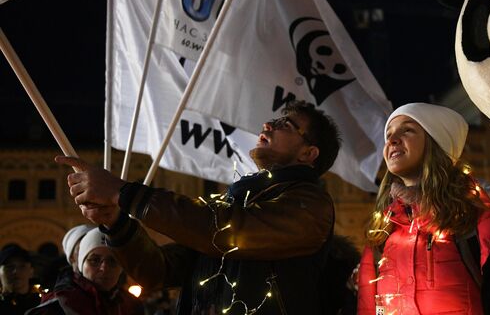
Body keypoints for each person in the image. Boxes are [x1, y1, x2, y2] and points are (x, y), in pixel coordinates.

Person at [57, 100, 340, 315]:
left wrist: (123, 193)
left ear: (308, 153)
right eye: (273, 120)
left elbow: (226, 230)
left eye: (286, 125)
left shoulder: (311, 204)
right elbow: (158, 270)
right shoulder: (231, 201)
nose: (268, 125)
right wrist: (115, 221)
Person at [357, 103, 490, 314]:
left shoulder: (479, 219)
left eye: (407, 130)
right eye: (388, 134)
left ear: (437, 143)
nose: (391, 140)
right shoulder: (381, 233)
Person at [26, 228, 143, 315]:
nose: (104, 268)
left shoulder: (132, 306)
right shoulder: (55, 308)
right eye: (95, 260)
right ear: (82, 264)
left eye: (113, 261)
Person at [0, 244, 40, 314]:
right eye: (9, 267)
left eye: (22, 266)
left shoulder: (42, 306)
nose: (16, 271)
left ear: (31, 271)